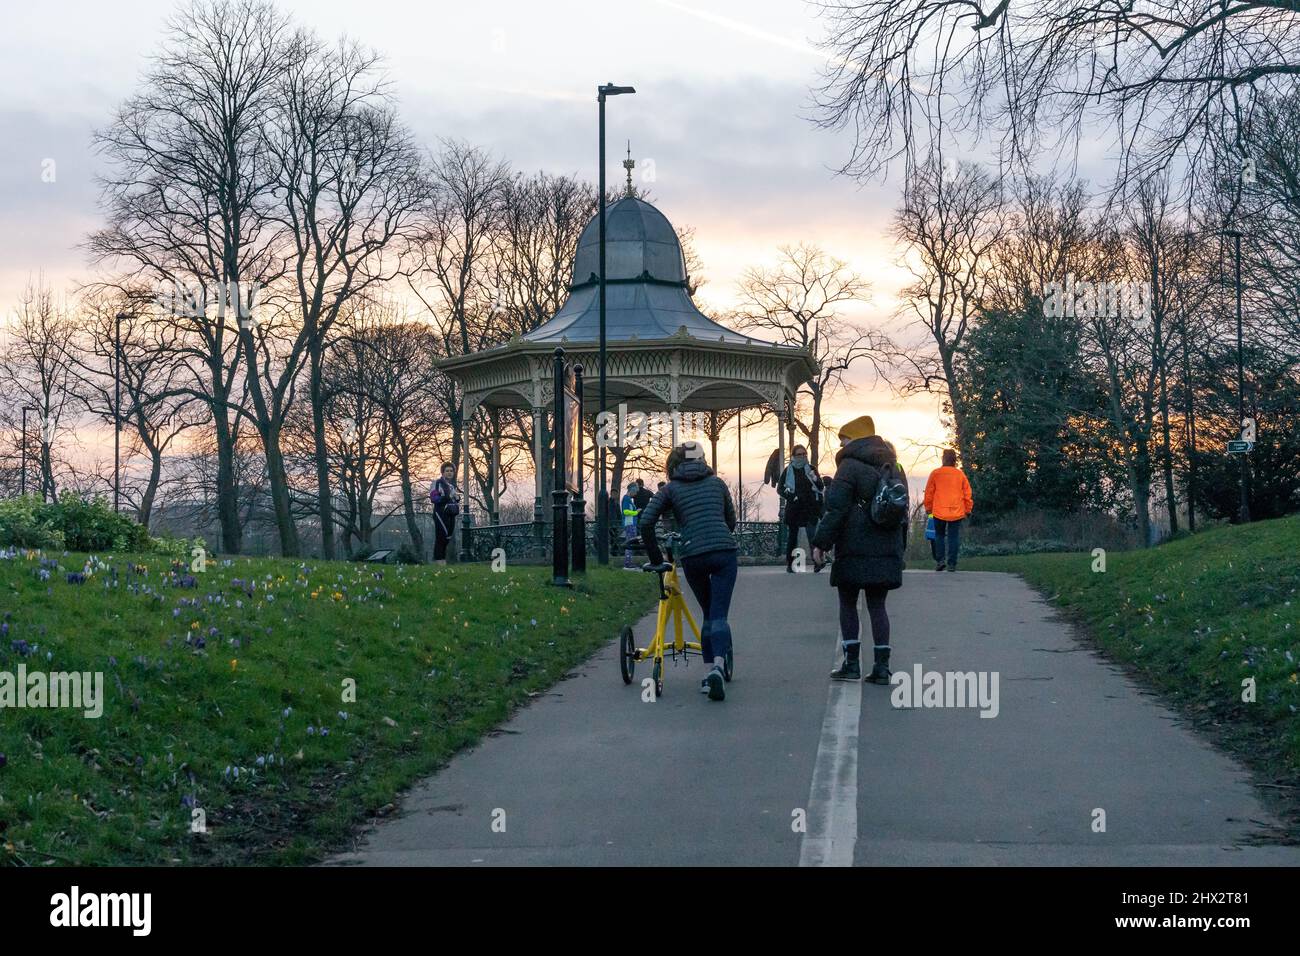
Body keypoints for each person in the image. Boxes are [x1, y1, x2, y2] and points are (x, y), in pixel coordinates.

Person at [638, 440, 738, 702]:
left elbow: (646, 522)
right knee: (719, 615)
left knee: (707, 613)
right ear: (702, 461)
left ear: (673, 465)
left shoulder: (671, 489)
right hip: (723, 552)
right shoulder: (717, 484)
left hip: (693, 556)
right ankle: (718, 666)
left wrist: (656, 557)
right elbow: (731, 521)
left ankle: (708, 673)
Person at [811, 415, 906, 683]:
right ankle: (881, 668)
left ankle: (851, 663)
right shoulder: (894, 467)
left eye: (844, 439)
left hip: (853, 547)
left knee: (848, 603)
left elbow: (836, 509)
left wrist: (820, 543)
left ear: (856, 439)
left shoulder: (849, 467)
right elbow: (902, 513)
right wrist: (900, 551)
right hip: (887, 546)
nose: (842, 445)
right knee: (878, 606)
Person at [923, 449, 973, 572]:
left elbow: (929, 493)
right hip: (956, 511)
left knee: (939, 536)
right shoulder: (960, 474)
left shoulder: (935, 474)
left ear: (943, 459)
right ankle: (952, 564)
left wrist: (928, 508)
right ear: (955, 460)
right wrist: (968, 509)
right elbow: (967, 493)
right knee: (953, 537)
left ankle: (940, 561)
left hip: (939, 510)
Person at [778, 444, 825, 573]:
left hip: (810, 508)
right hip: (794, 508)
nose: (803, 456)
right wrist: (791, 496)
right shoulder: (788, 471)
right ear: (793, 456)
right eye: (800, 454)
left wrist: (815, 478)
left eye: (804, 454)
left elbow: (820, 487)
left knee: (813, 536)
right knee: (792, 537)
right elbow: (780, 489)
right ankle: (790, 563)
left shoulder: (811, 469)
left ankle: (817, 562)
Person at [430, 463, 460, 566]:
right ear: (442, 472)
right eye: (447, 471)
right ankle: (439, 561)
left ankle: (442, 559)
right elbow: (434, 498)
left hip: (451, 514)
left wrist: (456, 498)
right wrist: (447, 497)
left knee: (448, 537)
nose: (449, 473)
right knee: (441, 537)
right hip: (440, 513)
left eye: (451, 471)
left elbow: (454, 499)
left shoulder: (451, 486)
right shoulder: (437, 483)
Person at [620, 482, 641, 569]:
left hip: (631, 524)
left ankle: (628, 562)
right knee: (630, 543)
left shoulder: (628, 499)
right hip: (630, 524)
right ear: (632, 490)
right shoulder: (626, 499)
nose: (636, 494)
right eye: (635, 491)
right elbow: (625, 512)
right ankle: (628, 563)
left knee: (630, 543)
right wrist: (636, 512)